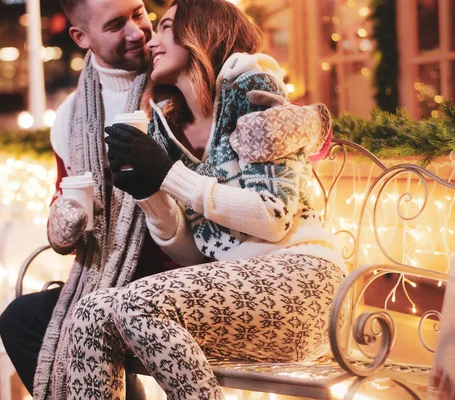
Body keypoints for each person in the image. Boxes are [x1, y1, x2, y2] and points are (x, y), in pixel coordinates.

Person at [62, 0, 348, 399]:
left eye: (164, 27)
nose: (151, 42)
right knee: (89, 313)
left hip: (303, 284)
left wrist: (168, 175)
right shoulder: (165, 125)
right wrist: (149, 195)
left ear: (199, 32)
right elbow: (194, 256)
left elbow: (274, 217)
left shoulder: (249, 84)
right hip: (233, 299)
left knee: (134, 306)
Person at [0, 0, 187, 398]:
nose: (137, 32)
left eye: (138, 13)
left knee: (93, 318)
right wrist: (61, 226)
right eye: (116, 25)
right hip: (107, 279)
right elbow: (65, 205)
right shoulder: (70, 118)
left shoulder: (177, 82)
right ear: (81, 38)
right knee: (20, 319)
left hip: (182, 272)